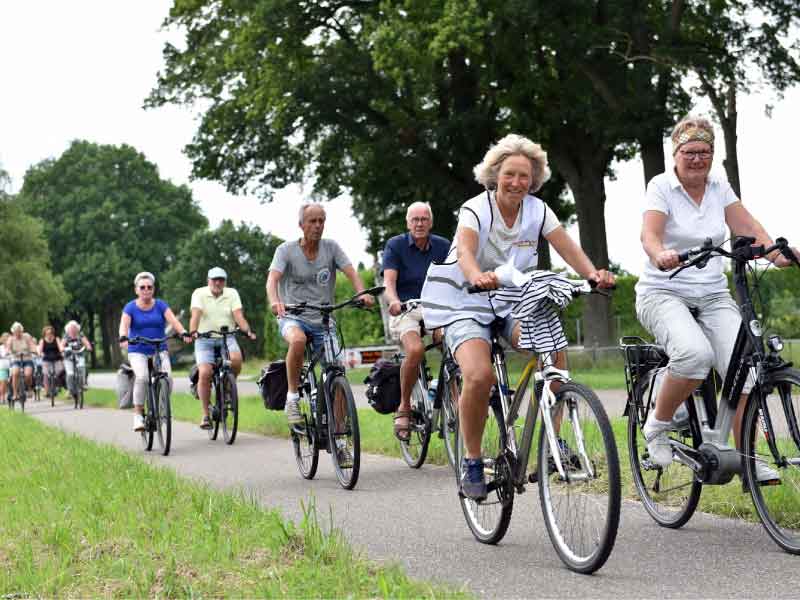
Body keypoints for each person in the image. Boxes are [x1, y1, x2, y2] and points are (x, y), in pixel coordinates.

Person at [421, 133, 615, 500]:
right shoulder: (476, 208)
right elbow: (464, 248)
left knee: (554, 352)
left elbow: (567, 247)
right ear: (495, 175)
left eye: (524, 176)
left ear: (534, 179)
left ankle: (552, 441)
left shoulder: (538, 210)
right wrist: (476, 273)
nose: (517, 182)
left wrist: (593, 275)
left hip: (513, 300)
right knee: (479, 376)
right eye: (510, 174)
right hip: (467, 299)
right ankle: (474, 461)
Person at [636, 116, 799, 483]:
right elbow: (650, 234)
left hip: (712, 293)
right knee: (695, 355)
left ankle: (746, 458)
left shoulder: (718, 188)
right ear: (675, 154)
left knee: (747, 370)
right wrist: (660, 253)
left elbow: (750, 229)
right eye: (690, 151)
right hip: (664, 290)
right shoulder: (661, 186)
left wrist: (778, 254)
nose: (697, 158)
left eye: (705, 152)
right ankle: (658, 426)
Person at [267, 201, 374, 425]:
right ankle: (293, 397)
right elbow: (272, 280)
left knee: (337, 372)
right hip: (293, 315)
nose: (317, 225)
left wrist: (362, 293)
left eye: (321, 221)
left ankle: (340, 435)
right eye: (312, 221)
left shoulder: (331, 248)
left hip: (323, 318)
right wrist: (275, 302)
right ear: (301, 225)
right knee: (297, 340)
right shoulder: (285, 250)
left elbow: (351, 272)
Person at [382, 201, 450, 441]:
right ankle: (404, 406)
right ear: (408, 222)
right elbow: (389, 282)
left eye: (424, 219)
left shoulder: (443, 246)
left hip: (435, 309)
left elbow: (453, 277)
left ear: (430, 222)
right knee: (416, 349)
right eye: (415, 219)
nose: (419, 223)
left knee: (452, 345)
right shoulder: (395, 245)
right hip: (406, 309)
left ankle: (455, 395)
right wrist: (393, 300)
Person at [118, 272, 191, 432]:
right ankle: (138, 415)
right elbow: (124, 324)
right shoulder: (130, 307)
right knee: (143, 377)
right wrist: (123, 336)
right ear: (136, 290)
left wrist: (183, 332)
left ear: (153, 289)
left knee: (168, 378)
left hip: (159, 348)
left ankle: (162, 409)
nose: (146, 290)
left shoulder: (160, 305)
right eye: (142, 287)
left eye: (149, 287)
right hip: (138, 349)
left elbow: (173, 321)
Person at [190, 267, 257, 429]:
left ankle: (227, 387)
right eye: (214, 279)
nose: (218, 282)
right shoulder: (199, 293)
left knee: (236, 359)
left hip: (227, 337)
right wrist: (193, 331)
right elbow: (196, 315)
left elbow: (238, 315)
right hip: (204, 339)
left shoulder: (232, 293)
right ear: (208, 280)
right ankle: (206, 415)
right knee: (205, 373)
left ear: (225, 282)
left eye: (221, 280)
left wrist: (247, 331)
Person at [6, 322, 38, 401]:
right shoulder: (11, 339)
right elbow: (8, 348)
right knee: (15, 373)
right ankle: (15, 393)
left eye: (19, 331)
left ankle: (29, 388)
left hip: (27, 358)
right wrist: (9, 352)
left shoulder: (26, 336)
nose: (18, 333)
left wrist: (34, 350)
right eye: (16, 331)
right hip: (16, 359)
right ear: (13, 332)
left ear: (22, 331)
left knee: (28, 374)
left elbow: (31, 345)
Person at [60, 320, 93, 391]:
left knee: (81, 367)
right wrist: (62, 349)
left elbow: (86, 343)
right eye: (71, 328)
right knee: (70, 374)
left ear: (77, 329)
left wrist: (88, 347)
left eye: (74, 328)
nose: (73, 330)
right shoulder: (66, 336)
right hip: (68, 357)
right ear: (68, 329)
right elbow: (61, 345)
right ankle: (70, 389)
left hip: (79, 355)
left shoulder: (80, 335)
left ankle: (83, 384)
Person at [38, 326, 64, 398]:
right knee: (46, 374)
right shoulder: (42, 340)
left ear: (53, 333)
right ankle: (46, 391)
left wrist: (62, 350)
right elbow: (40, 349)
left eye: (50, 333)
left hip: (57, 358)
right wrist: (40, 353)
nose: (49, 335)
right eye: (47, 333)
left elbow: (60, 346)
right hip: (46, 359)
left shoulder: (56, 339)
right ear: (45, 334)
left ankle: (56, 385)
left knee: (60, 370)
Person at [0, 333, 10, 404]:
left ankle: (11, 394)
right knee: (3, 382)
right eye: (5, 338)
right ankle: (2, 397)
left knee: (8, 382)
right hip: (2, 366)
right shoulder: (0, 348)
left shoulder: (11, 347)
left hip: (11, 366)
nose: (6, 340)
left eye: (7, 338)